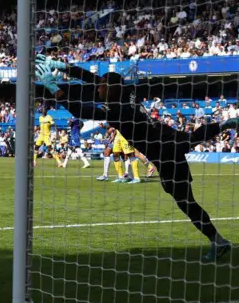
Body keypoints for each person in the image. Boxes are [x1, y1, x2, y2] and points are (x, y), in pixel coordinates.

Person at [35, 54, 239, 261]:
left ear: (111, 88)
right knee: (188, 144)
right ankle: (222, 125)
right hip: (166, 136)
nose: (98, 89)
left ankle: (218, 241)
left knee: (185, 202)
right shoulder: (125, 92)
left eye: (102, 86)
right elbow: (89, 77)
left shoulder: (117, 109)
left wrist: (54, 89)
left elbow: (83, 110)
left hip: (162, 153)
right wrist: (61, 66)